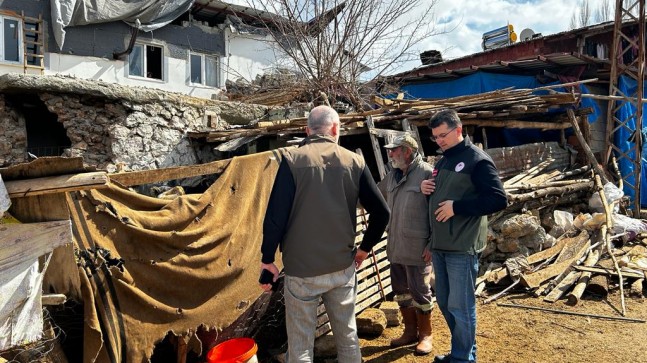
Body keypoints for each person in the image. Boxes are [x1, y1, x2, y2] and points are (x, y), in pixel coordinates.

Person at [260, 105, 390, 363]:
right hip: (342, 267)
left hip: (301, 271)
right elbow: (382, 213)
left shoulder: (292, 160)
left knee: (300, 346)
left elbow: (275, 217)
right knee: (348, 337)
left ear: (307, 130)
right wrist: (364, 249)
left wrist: (267, 259)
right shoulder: (355, 161)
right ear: (335, 128)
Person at [421, 109, 507, 363]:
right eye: (435, 137)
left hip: (462, 244)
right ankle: (463, 352)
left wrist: (457, 207)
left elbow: (497, 199)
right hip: (441, 243)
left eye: (443, 135)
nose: (439, 141)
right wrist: (426, 189)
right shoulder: (445, 159)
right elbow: (444, 190)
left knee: (461, 305)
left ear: (458, 130)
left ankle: (462, 358)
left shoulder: (477, 160)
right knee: (446, 303)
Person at [378, 134, 435, 355]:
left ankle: (425, 335)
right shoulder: (392, 176)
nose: (390, 154)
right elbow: (375, 195)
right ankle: (410, 332)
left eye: (394, 150)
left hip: (418, 247)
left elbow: (437, 212)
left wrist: (432, 243)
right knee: (401, 291)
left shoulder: (427, 173)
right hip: (396, 246)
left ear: (407, 151)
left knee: (421, 292)